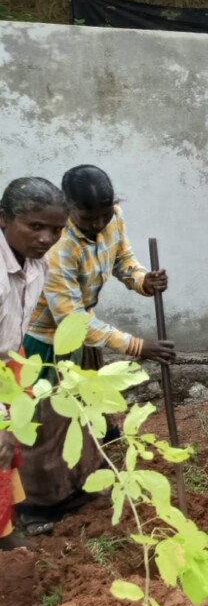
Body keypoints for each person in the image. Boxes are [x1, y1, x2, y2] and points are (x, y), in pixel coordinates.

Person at [18, 165, 175, 535]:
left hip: (78, 338)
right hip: (43, 341)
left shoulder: (112, 220)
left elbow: (123, 260)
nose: (98, 223)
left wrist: (142, 280)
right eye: (89, 217)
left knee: (82, 416)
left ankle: (79, 483)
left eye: (105, 214)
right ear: (68, 208)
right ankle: (40, 505)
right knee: (46, 427)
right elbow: (74, 321)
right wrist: (138, 346)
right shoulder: (57, 247)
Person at [0, 178, 68, 551]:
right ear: (3, 219)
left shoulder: (36, 265)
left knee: (11, 450)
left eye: (56, 229)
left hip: (9, 363)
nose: (46, 238)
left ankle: (7, 525)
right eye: (35, 226)